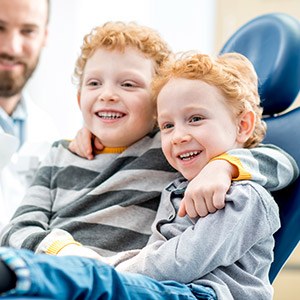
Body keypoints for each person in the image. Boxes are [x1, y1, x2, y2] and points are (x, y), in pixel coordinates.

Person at [0, 52, 297, 300]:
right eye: (167, 126)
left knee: (89, 282)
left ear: (243, 126)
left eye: (195, 119)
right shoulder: (178, 181)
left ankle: (21, 274)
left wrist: (104, 271)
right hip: (167, 286)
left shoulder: (245, 197)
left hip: (202, 293)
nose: (178, 136)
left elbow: (180, 262)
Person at [0, 0, 59, 227]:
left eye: (28, 31)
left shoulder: (49, 133)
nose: (11, 48)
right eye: (0, 28)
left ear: (44, 36)